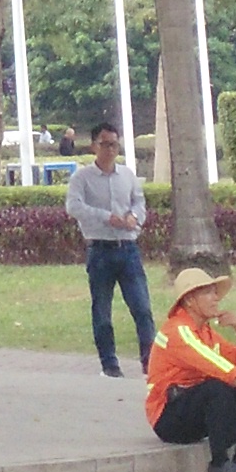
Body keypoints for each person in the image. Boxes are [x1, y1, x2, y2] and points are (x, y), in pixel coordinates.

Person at [145, 266, 236, 472]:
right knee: (216, 388)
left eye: (215, 292)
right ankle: (219, 463)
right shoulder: (179, 331)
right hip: (168, 417)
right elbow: (219, 367)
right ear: (190, 300)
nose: (216, 298)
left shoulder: (205, 331)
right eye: (208, 293)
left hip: (190, 405)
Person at [65, 126, 153, 376]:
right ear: (94, 146)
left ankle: (150, 363)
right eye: (105, 144)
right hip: (100, 249)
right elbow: (74, 207)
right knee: (102, 310)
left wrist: (134, 217)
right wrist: (106, 218)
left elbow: (139, 201)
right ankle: (110, 365)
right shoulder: (82, 178)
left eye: (114, 144)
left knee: (142, 308)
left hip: (128, 248)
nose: (111, 149)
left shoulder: (127, 175)